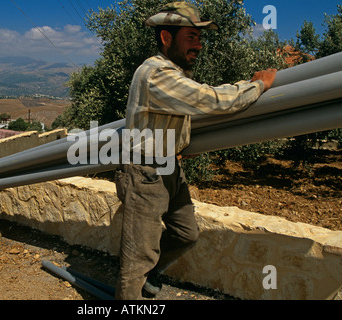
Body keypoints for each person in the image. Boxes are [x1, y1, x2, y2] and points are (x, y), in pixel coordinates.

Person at [114, 1, 277, 300]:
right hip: (145, 173)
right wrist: (258, 86)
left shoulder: (173, 73)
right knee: (138, 259)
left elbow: (179, 114)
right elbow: (211, 100)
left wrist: (180, 145)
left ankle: (147, 278)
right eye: (191, 37)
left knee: (186, 233)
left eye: (199, 38)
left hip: (167, 167)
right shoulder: (157, 74)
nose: (199, 45)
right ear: (166, 38)